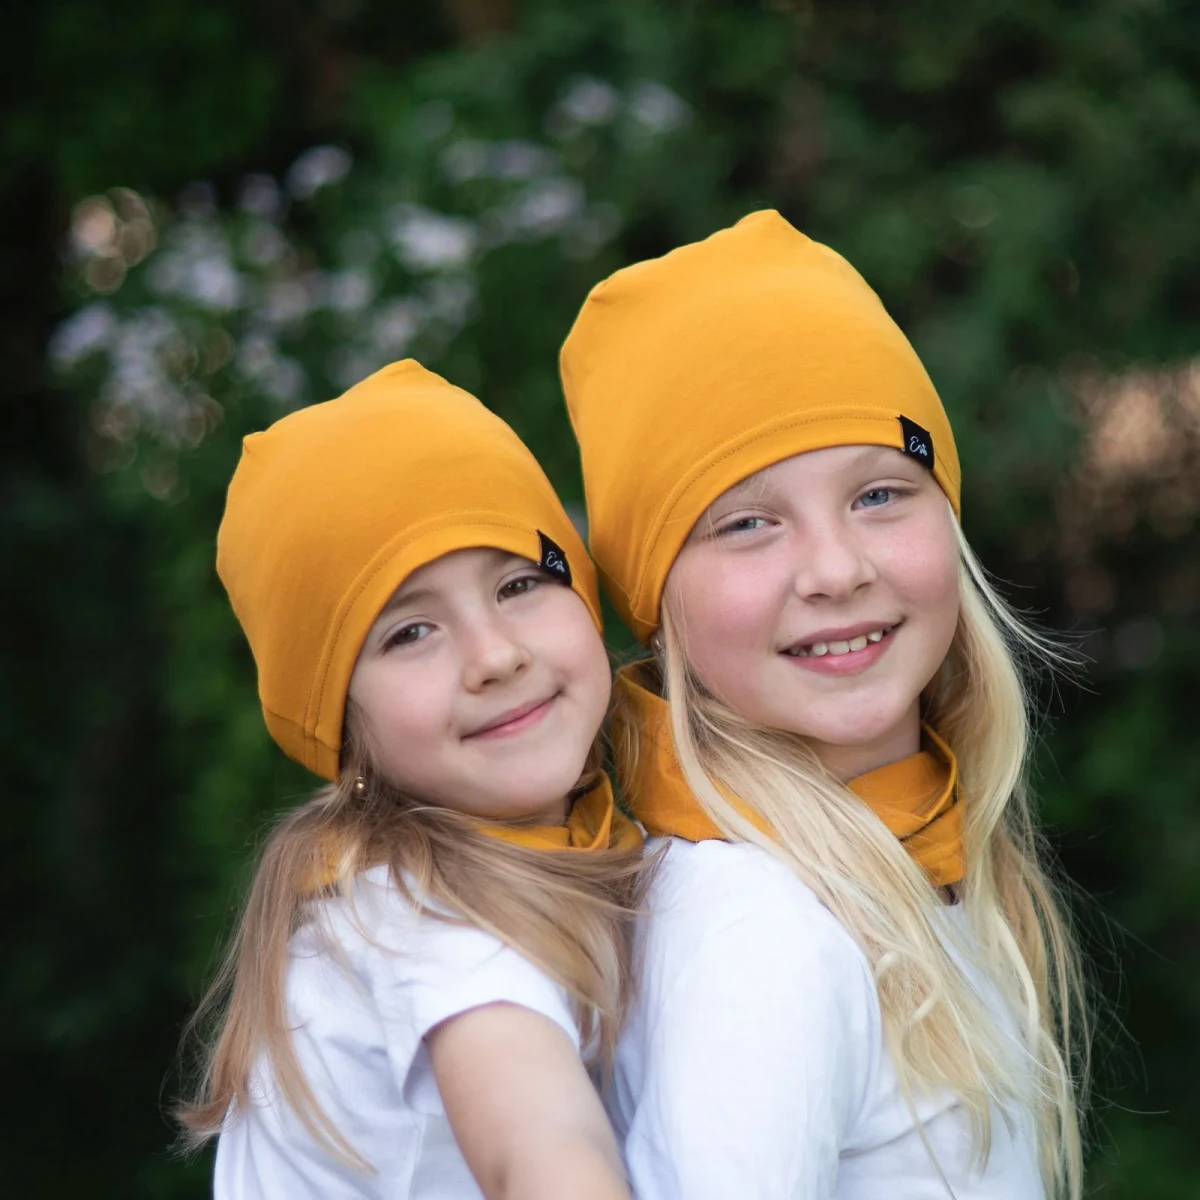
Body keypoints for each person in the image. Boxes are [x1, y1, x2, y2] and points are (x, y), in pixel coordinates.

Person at [561, 211, 1090, 1199]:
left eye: (878, 495)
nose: (837, 569)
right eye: (747, 523)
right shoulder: (767, 935)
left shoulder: (913, 859)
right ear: (658, 606)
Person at [179, 359, 644, 1200]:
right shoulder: (418, 919)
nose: (495, 655)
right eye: (410, 633)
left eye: (519, 583)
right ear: (343, 728)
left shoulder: (566, 847)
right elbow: (544, 1151)